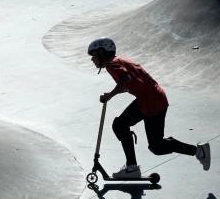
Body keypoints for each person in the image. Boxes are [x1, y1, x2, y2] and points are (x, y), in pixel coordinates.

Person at [88, 37, 211, 179]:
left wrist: (110, 96)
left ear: (102, 52)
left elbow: (126, 79)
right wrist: (112, 93)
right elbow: (131, 83)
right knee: (120, 125)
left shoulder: (112, 65)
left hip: (152, 102)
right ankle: (132, 168)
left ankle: (199, 151)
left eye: (93, 55)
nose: (92, 60)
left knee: (157, 147)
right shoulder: (118, 61)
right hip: (148, 99)